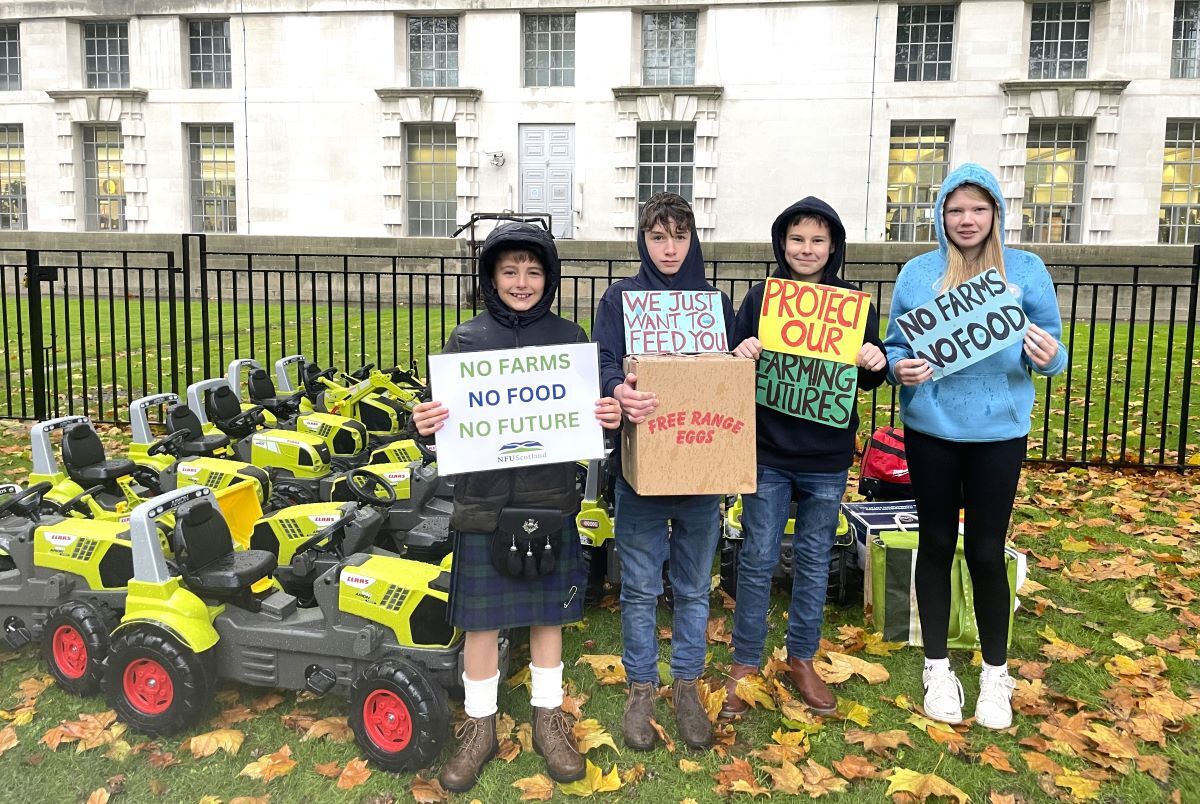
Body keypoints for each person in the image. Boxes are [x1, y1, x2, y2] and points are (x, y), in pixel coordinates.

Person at [411, 222, 623, 793]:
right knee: (481, 621)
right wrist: (425, 424)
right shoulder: (466, 340)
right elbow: (442, 421)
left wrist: (604, 417)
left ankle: (547, 718)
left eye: (533, 271)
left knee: (546, 615)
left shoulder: (569, 335)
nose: (522, 281)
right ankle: (479, 724)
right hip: (482, 503)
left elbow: (586, 419)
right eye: (510, 271)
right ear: (490, 277)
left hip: (547, 498)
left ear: (548, 277)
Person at [882, 163, 1066, 729]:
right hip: (932, 428)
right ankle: (938, 666)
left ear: (996, 215)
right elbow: (894, 347)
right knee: (934, 542)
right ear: (941, 215)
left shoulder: (1027, 271)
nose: (966, 220)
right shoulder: (917, 274)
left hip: (999, 431)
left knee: (987, 550)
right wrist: (899, 369)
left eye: (978, 209)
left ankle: (994, 671)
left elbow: (1055, 348)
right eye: (956, 209)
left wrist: (1047, 355)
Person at [723, 197, 887, 719]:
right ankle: (745, 664)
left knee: (815, 560)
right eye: (797, 239)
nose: (807, 249)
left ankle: (802, 658)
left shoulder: (853, 306)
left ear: (833, 246)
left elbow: (870, 371)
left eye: (818, 240)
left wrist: (872, 359)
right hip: (768, 451)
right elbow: (729, 360)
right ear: (782, 244)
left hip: (827, 455)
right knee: (756, 558)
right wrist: (741, 350)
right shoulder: (760, 299)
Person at [591, 192, 735, 751]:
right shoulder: (620, 298)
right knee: (640, 587)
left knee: (696, 587)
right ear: (643, 241)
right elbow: (604, 361)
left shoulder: (711, 301)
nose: (669, 247)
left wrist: (740, 356)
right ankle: (642, 686)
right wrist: (615, 388)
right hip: (642, 469)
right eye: (658, 236)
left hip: (700, 467)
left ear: (692, 239)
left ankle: (688, 686)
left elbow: (724, 375)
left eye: (679, 235)